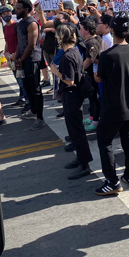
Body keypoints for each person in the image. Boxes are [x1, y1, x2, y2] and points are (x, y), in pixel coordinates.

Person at [94, 13, 129, 195]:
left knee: (105, 142)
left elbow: (99, 78)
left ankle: (112, 181)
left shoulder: (107, 55)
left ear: (112, 30)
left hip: (113, 105)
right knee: (128, 139)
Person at [51, 24, 93, 180]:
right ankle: (81, 159)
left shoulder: (68, 56)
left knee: (77, 130)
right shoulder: (74, 51)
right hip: (73, 95)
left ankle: (85, 165)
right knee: (74, 130)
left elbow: (69, 80)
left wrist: (56, 72)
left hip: (72, 95)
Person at [13, 0, 45, 130]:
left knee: (35, 89)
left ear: (26, 9)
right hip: (24, 59)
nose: (16, 10)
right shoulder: (21, 22)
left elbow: (31, 45)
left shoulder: (32, 23)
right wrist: (16, 57)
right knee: (27, 87)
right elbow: (21, 43)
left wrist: (21, 59)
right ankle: (33, 110)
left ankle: (40, 118)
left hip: (32, 60)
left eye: (19, 9)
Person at [0, 5, 27, 108]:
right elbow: (7, 41)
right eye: (3, 14)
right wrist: (6, 53)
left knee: (21, 79)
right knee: (17, 77)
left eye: (7, 13)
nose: (6, 15)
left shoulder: (17, 26)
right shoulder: (5, 28)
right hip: (11, 57)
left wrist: (16, 54)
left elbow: (20, 41)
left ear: (11, 14)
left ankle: (24, 99)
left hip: (18, 56)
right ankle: (22, 97)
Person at [81, 18, 102, 126]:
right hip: (91, 75)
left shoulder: (91, 42)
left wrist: (79, 71)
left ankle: (95, 121)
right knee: (92, 98)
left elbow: (89, 60)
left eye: (81, 29)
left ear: (87, 30)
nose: (80, 31)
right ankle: (92, 116)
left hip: (93, 75)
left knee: (94, 98)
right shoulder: (91, 40)